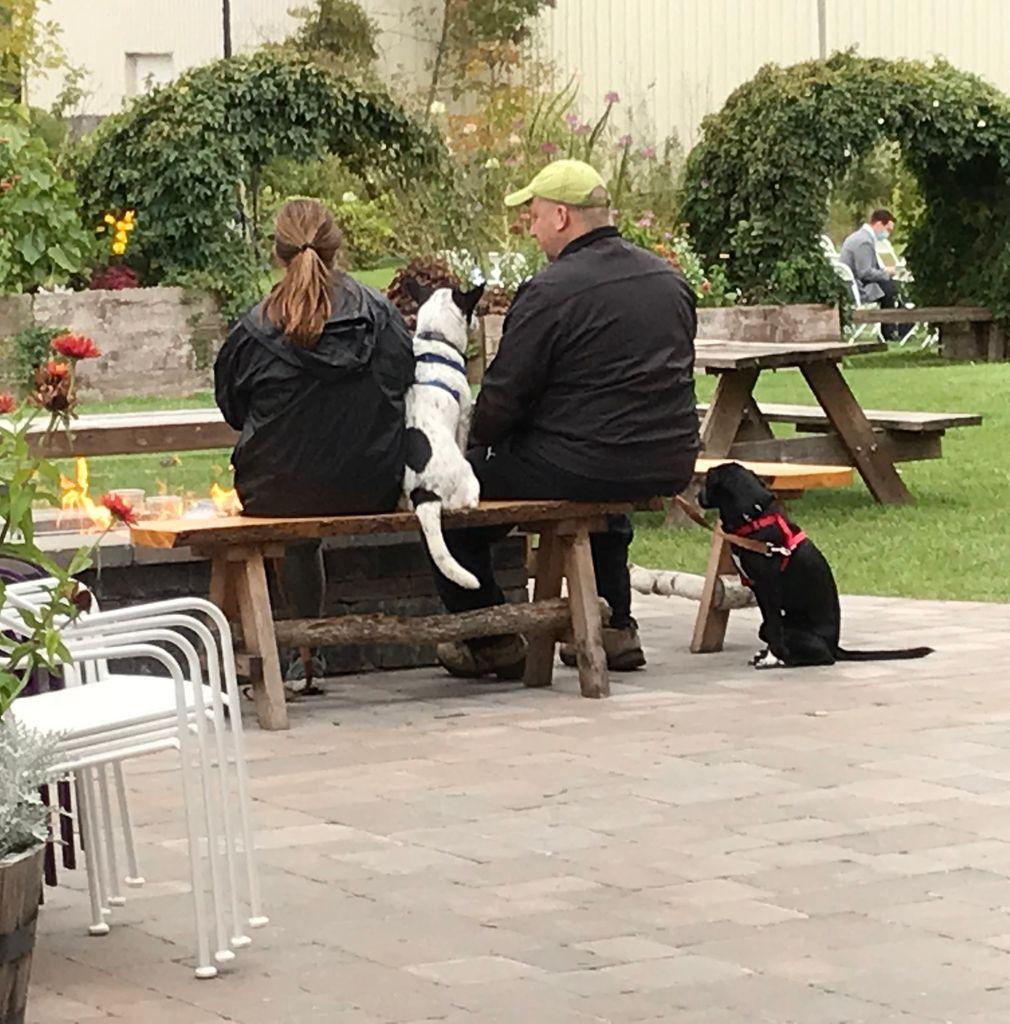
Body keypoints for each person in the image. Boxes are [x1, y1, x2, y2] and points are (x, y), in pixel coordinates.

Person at [431, 159, 700, 679]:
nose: (530, 228)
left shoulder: (551, 292)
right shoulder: (669, 280)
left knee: (445, 502)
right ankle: (614, 625)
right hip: (665, 456)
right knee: (598, 481)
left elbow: (503, 401)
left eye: (532, 216)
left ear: (560, 216)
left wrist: (473, 447)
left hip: (585, 459)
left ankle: (490, 638)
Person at [214, 198, 414, 684]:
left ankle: (294, 653)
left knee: (293, 529)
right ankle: (307, 652)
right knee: (301, 526)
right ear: (337, 248)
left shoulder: (253, 327)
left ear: (277, 254)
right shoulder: (381, 316)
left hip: (275, 491)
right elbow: (404, 380)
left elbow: (233, 410)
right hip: (373, 485)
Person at [839, 208, 906, 341]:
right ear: (879, 224)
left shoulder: (858, 237)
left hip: (852, 284)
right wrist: (886, 272)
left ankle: (892, 330)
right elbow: (865, 272)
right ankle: (890, 332)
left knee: (889, 286)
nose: (888, 234)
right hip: (857, 288)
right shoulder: (864, 241)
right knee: (891, 288)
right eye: (888, 230)